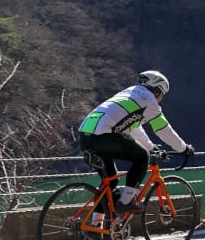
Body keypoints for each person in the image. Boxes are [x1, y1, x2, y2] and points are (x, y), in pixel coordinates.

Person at [78, 70, 194, 219]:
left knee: (110, 183)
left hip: (86, 135)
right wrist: (183, 148)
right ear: (158, 91)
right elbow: (163, 129)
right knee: (142, 157)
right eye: (162, 95)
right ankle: (126, 202)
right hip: (104, 136)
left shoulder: (129, 92)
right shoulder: (149, 99)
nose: (161, 99)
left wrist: (151, 146)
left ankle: (95, 228)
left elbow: (134, 128)